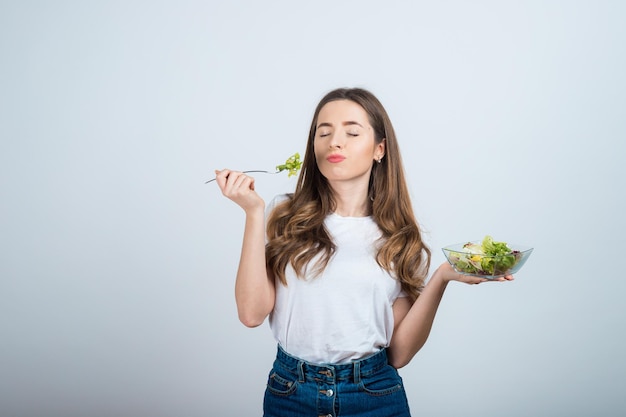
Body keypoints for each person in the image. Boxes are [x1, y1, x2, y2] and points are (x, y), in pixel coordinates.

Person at [214, 87, 513, 417]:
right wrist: (253, 213)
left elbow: (398, 354)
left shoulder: (400, 237)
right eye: (323, 132)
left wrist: (442, 277)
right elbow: (252, 314)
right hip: (291, 394)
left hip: (374, 396)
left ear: (379, 149)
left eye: (352, 132)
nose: (334, 142)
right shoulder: (283, 214)